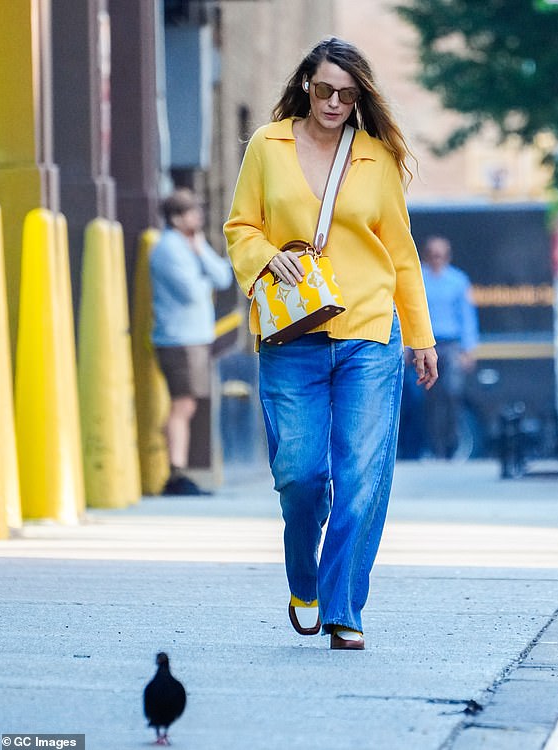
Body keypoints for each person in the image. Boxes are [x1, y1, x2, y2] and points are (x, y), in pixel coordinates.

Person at [224, 37, 437, 651]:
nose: (335, 102)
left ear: (360, 95)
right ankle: (305, 580)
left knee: (362, 473)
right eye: (324, 90)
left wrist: (419, 336)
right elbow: (241, 225)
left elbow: (400, 254)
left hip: (370, 332)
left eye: (347, 93)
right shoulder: (270, 144)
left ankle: (345, 607)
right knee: (300, 474)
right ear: (305, 87)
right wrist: (267, 258)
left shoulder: (377, 158)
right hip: (294, 335)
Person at [150, 188, 232, 495]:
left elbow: (223, 277)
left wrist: (200, 254)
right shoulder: (168, 248)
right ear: (175, 218)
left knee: (187, 404)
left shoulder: (193, 244)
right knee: (182, 405)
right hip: (178, 340)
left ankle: (177, 469)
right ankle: (176, 472)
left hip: (195, 338)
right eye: (190, 211)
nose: (197, 216)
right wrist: (203, 276)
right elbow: (193, 294)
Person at [421, 235, 479, 459]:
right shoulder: (421, 280)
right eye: (433, 255)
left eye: (441, 255)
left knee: (453, 394)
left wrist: (469, 350)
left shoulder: (458, 281)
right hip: (428, 345)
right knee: (431, 398)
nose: (437, 259)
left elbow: (468, 316)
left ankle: (453, 443)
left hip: (452, 345)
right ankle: (434, 448)